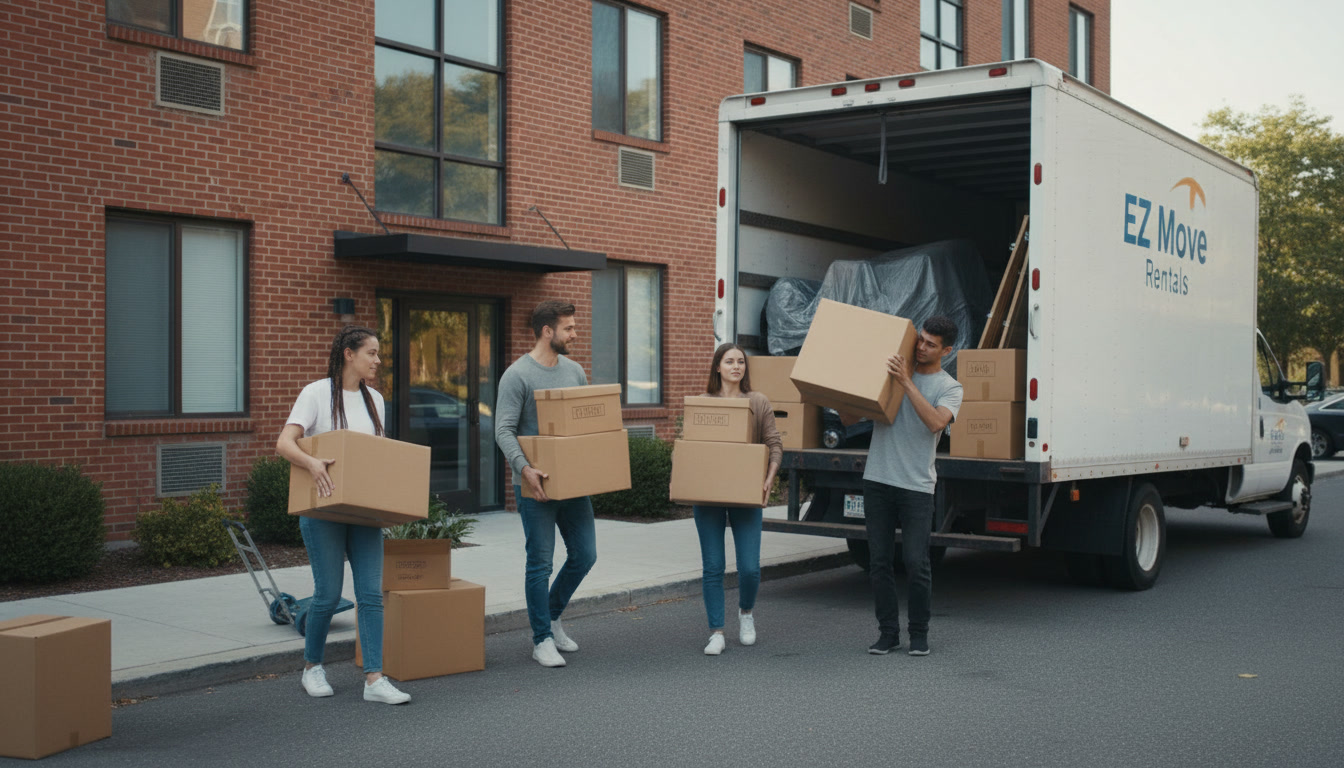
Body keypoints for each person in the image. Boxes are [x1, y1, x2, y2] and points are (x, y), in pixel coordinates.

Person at [276, 325, 411, 704]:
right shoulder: (316, 393)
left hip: (364, 512)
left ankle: (374, 680)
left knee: (370, 594)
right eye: (372, 352)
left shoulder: (375, 400)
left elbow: (376, 457)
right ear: (349, 354)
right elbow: (284, 443)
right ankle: (312, 667)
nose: (378, 360)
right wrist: (312, 464)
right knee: (328, 594)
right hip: (323, 510)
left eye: (378, 353)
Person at [841, 316, 963, 658]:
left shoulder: (949, 387)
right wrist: (840, 388)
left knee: (916, 562)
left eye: (930, 344)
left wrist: (907, 383)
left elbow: (936, 422)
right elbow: (850, 419)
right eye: (920, 340)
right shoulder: (891, 373)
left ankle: (919, 633)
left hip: (916, 487)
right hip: (878, 480)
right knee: (878, 562)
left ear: (947, 350)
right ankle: (888, 633)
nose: (921, 347)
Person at [495, 300, 597, 668]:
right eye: (568, 328)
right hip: (535, 486)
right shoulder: (517, 375)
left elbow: (583, 427)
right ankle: (541, 639)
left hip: (573, 484)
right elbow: (502, 429)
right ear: (546, 331)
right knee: (540, 562)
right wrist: (524, 469)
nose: (575, 333)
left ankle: (552, 617)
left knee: (585, 554)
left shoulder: (574, 371)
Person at [692, 343, 783, 656]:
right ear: (717, 367)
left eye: (741, 362)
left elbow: (774, 444)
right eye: (729, 361)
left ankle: (746, 613)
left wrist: (769, 477)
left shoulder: (757, 402)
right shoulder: (702, 403)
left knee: (749, 567)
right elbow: (691, 447)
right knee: (713, 566)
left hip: (745, 493)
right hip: (708, 494)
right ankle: (716, 631)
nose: (736, 366)